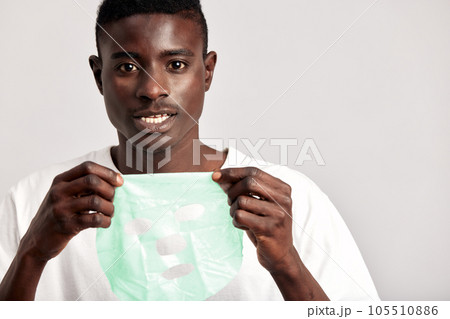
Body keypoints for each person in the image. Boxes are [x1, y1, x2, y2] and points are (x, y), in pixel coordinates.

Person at [0, 0, 379, 301]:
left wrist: (287, 266)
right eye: (128, 66)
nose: (152, 89)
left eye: (176, 64)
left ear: (207, 71)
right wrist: (32, 253)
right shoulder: (36, 200)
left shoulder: (287, 199)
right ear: (99, 76)